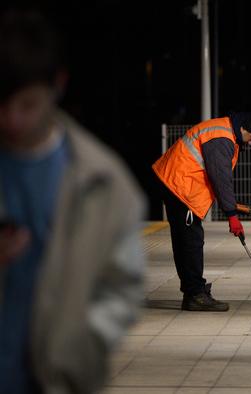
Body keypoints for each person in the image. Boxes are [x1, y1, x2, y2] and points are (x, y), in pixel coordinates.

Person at [0, 9, 147, 393]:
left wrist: (82, 346)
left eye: (28, 104)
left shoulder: (105, 183)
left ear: (58, 84)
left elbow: (123, 287)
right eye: (1, 104)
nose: (12, 121)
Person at [152, 111, 251, 312]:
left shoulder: (223, 130)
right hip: (181, 186)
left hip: (177, 182)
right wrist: (232, 216)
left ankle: (193, 289)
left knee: (186, 239)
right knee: (191, 240)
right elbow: (221, 179)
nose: (250, 143)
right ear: (242, 129)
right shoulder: (222, 138)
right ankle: (195, 295)